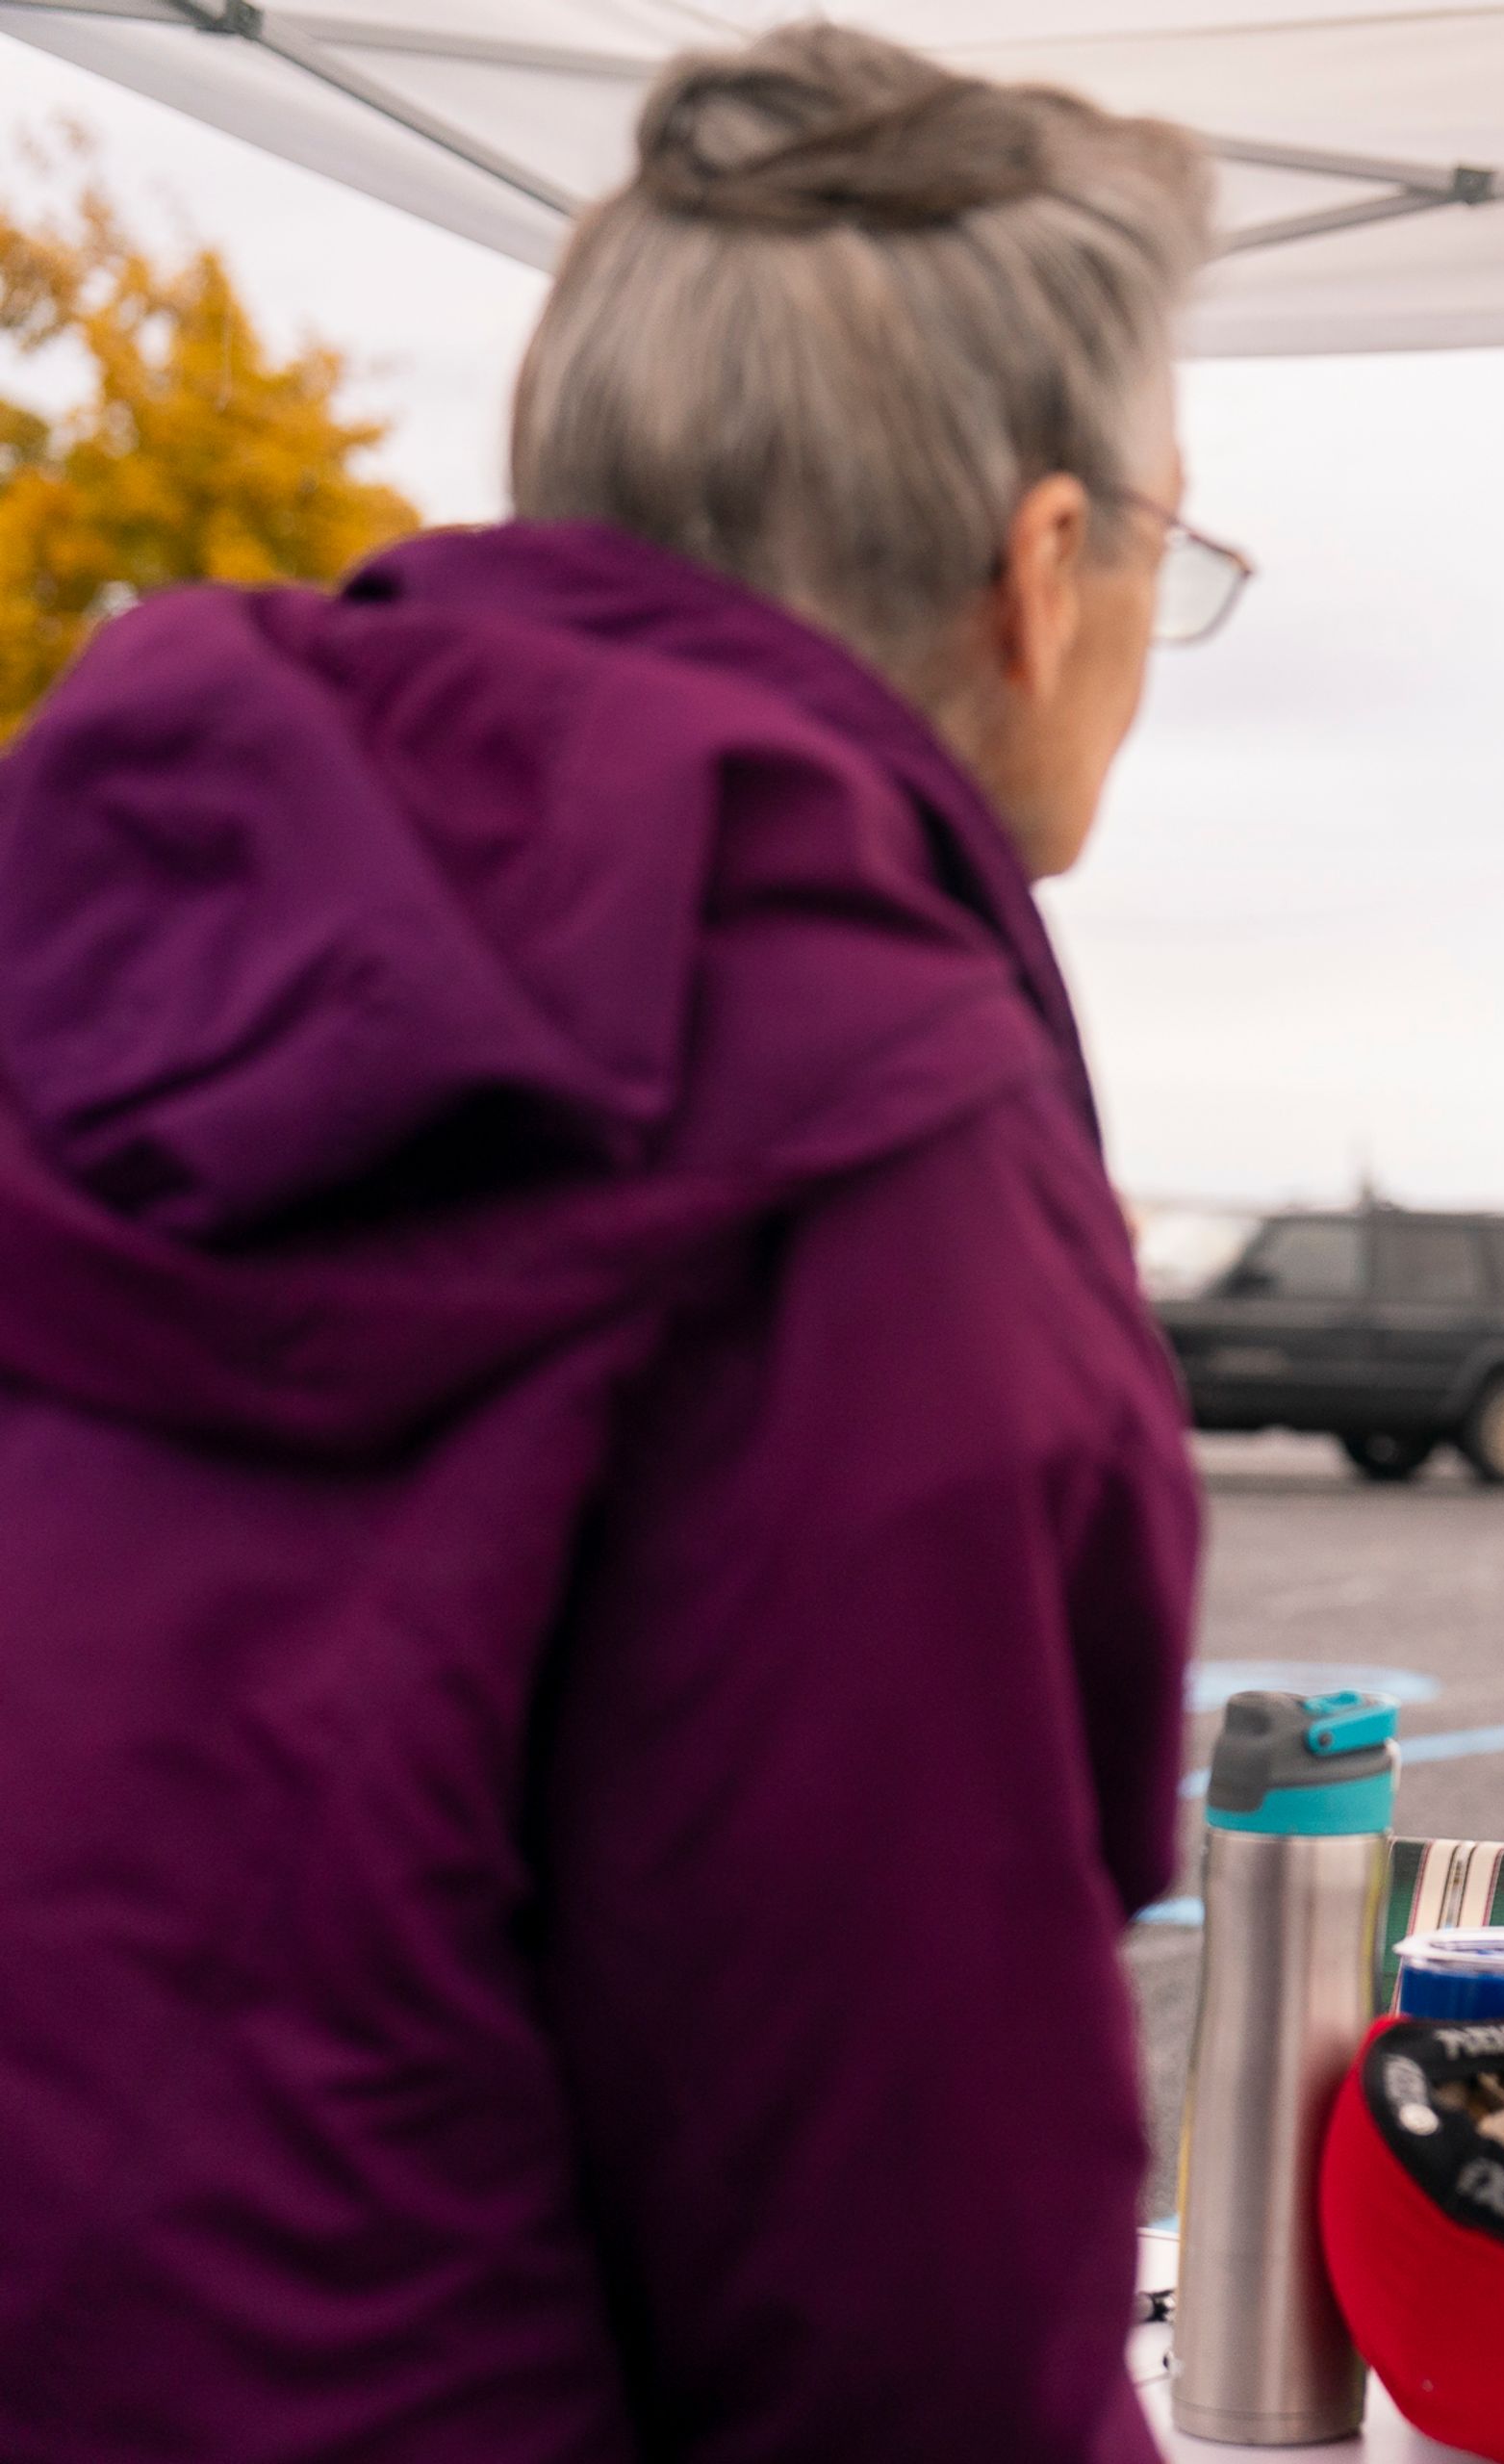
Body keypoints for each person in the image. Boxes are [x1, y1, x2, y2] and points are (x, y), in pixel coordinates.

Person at [0, 29, 1241, 2459]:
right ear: (1039, 568)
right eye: (1168, 551)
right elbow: (906, 2293)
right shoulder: (869, 1124)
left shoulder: (81, 903)